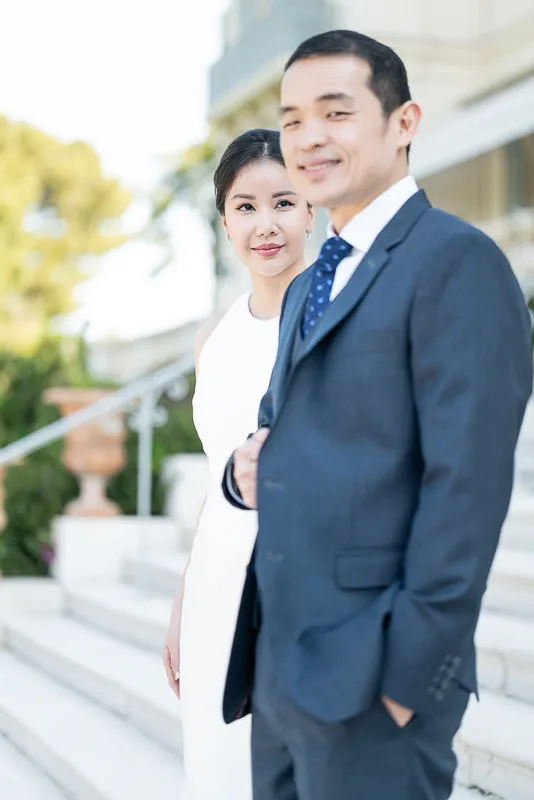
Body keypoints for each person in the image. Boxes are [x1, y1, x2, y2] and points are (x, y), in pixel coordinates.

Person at [221, 30, 533, 800]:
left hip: (375, 686)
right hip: (281, 673)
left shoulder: (457, 262)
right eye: (292, 120)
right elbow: (275, 432)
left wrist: (408, 681)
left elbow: (467, 488)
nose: (308, 137)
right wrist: (239, 472)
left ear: (404, 123)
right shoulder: (307, 283)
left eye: (336, 112)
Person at [162, 128, 313, 800]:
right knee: (216, 776)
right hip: (215, 593)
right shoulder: (212, 337)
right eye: (245, 207)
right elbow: (215, 477)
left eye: (283, 202)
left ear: (311, 208)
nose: (265, 225)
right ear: (224, 222)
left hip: (302, 587)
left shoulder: (340, 320)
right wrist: (183, 600)